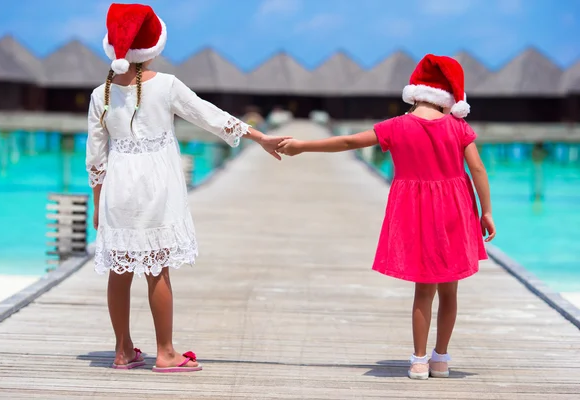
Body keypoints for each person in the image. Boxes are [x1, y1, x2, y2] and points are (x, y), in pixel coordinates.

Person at [85, 3, 289, 373]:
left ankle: (122, 351)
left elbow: (96, 158)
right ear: (152, 46)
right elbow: (209, 117)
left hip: (119, 187)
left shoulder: (101, 93)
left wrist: (98, 204)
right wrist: (258, 136)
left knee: (120, 269)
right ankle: (165, 353)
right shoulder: (166, 85)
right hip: (157, 186)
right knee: (157, 268)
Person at [277, 54, 496, 380]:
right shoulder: (458, 128)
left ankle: (419, 361)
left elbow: (349, 141)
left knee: (424, 290)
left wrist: (303, 146)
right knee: (450, 291)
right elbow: (477, 169)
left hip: (417, 213)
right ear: (449, 98)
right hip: (455, 211)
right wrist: (487, 211)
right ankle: (441, 360)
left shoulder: (397, 126)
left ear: (415, 93)